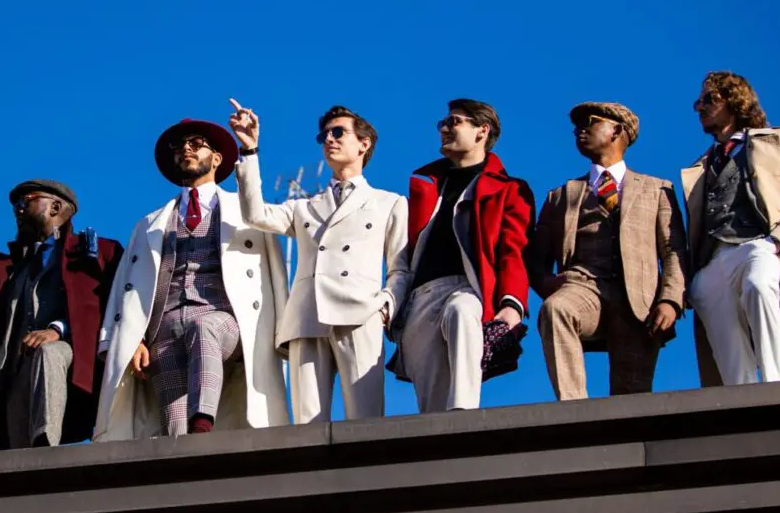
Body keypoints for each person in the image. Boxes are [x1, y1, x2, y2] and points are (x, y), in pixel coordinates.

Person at [95, 118, 289, 440]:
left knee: (204, 328)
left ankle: (203, 422)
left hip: (223, 318)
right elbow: (125, 287)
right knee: (172, 430)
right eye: (180, 145)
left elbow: (276, 273)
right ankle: (182, 457)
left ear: (217, 158)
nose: (186, 148)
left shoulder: (245, 214)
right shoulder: (148, 224)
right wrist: (130, 340)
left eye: (196, 143)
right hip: (163, 328)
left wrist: (285, 332)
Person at [229, 100, 408, 423]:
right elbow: (255, 214)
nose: (328, 139)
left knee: (365, 422)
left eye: (338, 132)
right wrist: (250, 150)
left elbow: (400, 268)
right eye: (323, 135)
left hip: (360, 314)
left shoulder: (389, 202)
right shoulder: (304, 206)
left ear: (364, 143)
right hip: (307, 317)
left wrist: (384, 306)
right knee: (306, 426)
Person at [527, 102, 686, 400]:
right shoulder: (561, 196)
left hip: (638, 300)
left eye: (589, 121)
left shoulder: (657, 190)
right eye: (576, 126)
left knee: (632, 400)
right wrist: (549, 284)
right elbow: (536, 260)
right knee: (556, 309)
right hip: (582, 288)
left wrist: (670, 300)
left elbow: (673, 250)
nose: (579, 130)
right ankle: (573, 409)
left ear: (617, 130)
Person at [683, 71, 780, 385]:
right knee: (721, 331)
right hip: (713, 259)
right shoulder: (701, 167)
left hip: (759, 244)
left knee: (759, 285)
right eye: (698, 102)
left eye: (709, 99)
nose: (700, 107)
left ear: (735, 100)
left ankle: (775, 387)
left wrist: (778, 240)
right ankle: (744, 399)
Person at [389, 99, 533, 411]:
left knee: (461, 311)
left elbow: (514, 251)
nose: (444, 128)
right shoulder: (428, 187)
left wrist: (512, 304)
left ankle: (464, 414)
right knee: (431, 405)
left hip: (469, 288)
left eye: (454, 121)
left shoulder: (508, 189)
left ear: (482, 130)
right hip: (421, 296)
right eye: (442, 123)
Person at [0, 179, 122, 449]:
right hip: (18, 367)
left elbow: (109, 306)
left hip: (74, 358)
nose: (18, 209)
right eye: (16, 204)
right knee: (17, 451)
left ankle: (46, 445)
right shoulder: (15, 268)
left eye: (26, 201)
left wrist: (58, 329)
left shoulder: (97, 253)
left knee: (48, 353)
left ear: (55, 207)